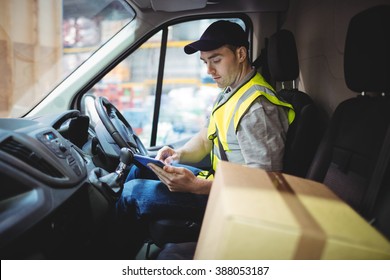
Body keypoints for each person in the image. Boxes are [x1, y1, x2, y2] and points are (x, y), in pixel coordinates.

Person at [114, 20, 295, 258]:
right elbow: (205, 138)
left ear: (241, 54)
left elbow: (265, 185)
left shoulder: (257, 108)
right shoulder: (231, 93)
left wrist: (198, 187)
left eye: (216, 59)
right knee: (140, 171)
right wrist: (177, 154)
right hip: (219, 185)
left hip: (237, 205)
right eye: (205, 62)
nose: (209, 70)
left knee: (132, 193)